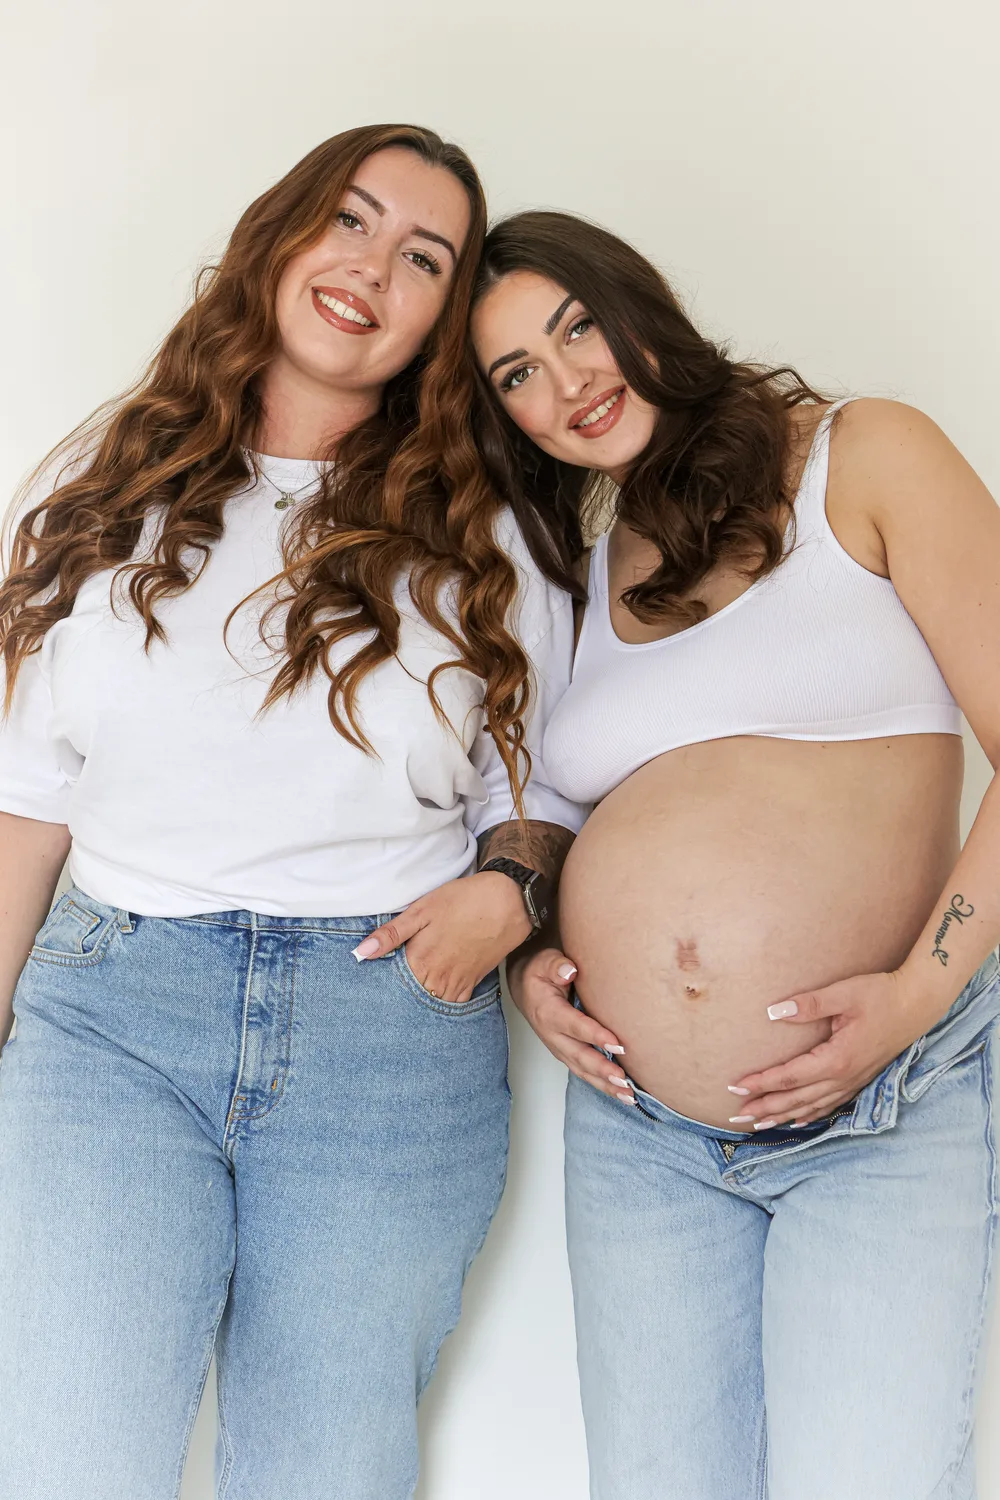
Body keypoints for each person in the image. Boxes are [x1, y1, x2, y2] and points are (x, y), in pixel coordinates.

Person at [0, 131, 583, 1500]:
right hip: (110, 1021)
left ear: (443, 318)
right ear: (282, 234)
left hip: (386, 1031)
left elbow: (549, 781)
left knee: (328, 1471)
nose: (371, 268)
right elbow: (25, 796)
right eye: (350, 220)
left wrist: (508, 896)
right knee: (67, 1455)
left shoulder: (489, 528)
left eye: (423, 257)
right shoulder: (109, 478)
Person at [469, 209, 1000, 1500]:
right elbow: (559, 810)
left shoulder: (865, 454)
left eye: (577, 327)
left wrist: (915, 998)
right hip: (638, 1133)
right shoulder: (588, 565)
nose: (566, 382)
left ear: (639, 304)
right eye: (518, 373)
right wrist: (536, 959)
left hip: (882, 1101)